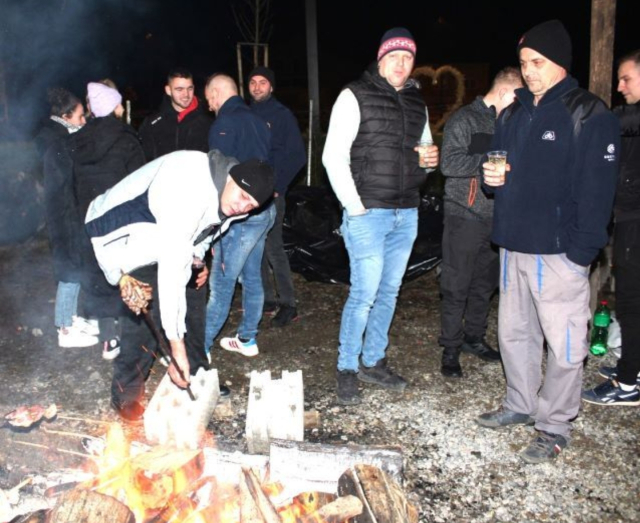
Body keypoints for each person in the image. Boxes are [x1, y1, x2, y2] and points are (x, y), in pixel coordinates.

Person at [476, 20, 620, 463]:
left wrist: (581, 253)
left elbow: (599, 192)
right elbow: (497, 169)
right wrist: (491, 178)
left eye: (537, 62)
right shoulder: (513, 112)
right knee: (514, 334)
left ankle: (554, 425)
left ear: (560, 62)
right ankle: (520, 404)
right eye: (523, 63)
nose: (529, 71)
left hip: (559, 251)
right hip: (513, 245)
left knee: (565, 343)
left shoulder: (588, 113)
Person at [85, 149, 274, 421]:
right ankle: (127, 392)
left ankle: (195, 372)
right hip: (117, 237)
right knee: (148, 303)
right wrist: (176, 349)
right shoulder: (188, 187)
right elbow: (172, 269)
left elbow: (208, 228)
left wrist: (198, 257)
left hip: (159, 234)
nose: (244, 207)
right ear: (231, 178)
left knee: (195, 283)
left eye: (252, 206)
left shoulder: (231, 196)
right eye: (244, 197)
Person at [322, 28, 439, 406]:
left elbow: (423, 151)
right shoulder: (354, 95)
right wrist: (354, 206)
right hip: (368, 213)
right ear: (381, 57)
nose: (402, 64)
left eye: (408, 58)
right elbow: (332, 156)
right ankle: (346, 367)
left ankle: (373, 360)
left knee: (389, 291)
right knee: (364, 293)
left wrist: (429, 161)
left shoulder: (417, 102)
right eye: (395, 56)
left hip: (406, 212)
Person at [438, 67, 523, 378]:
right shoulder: (465, 119)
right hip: (464, 215)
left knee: (485, 285)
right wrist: (487, 159)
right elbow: (448, 164)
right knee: (455, 284)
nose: (520, 105)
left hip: (497, 217)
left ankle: (474, 338)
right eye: (517, 98)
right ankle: (450, 348)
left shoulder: (511, 123)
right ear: (504, 93)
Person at [67, 82, 146, 360]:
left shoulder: (76, 141)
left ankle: (108, 340)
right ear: (115, 106)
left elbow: (72, 182)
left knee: (98, 274)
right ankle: (132, 336)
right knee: (127, 271)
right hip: (120, 218)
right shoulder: (126, 139)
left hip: (88, 218)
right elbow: (139, 181)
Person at [582, 49, 640, 406]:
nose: (619, 86)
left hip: (635, 224)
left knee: (632, 302)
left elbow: (620, 122)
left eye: (627, 78)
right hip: (629, 219)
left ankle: (628, 382)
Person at [203, 74, 275, 358]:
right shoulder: (258, 120)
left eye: (209, 99)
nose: (210, 106)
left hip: (240, 215)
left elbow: (219, 175)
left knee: (222, 282)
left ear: (218, 92)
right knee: (253, 275)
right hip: (261, 209)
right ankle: (247, 339)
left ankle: (201, 347)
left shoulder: (224, 123)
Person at [35, 87, 97, 348]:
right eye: (81, 116)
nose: (83, 121)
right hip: (65, 213)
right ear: (67, 115)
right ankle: (65, 328)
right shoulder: (58, 141)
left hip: (62, 212)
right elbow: (64, 183)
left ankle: (70, 317)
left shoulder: (53, 134)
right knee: (69, 269)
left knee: (72, 266)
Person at [248, 66, 307, 328]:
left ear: (271, 87)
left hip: (272, 193)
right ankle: (267, 299)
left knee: (274, 247)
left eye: (263, 82)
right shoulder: (246, 114)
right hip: (248, 192)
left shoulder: (282, 116)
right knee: (254, 247)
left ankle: (289, 303)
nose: (258, 87)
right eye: (253, 82)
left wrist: (277, 186)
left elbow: (297, 156)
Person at [138, 68, 212, 162]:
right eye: (179, 89)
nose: (186, 94)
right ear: (168, 90)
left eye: (190, 88)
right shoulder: (152, 123)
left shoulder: (207, 123)